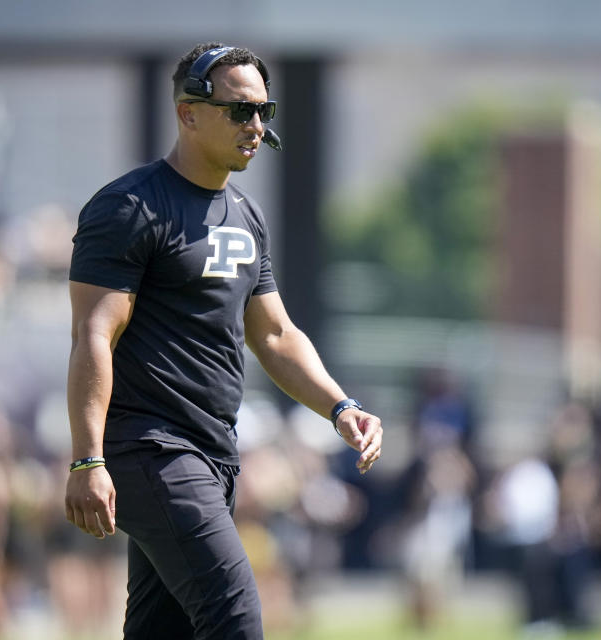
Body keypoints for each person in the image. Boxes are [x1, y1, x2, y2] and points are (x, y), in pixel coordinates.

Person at [63, 42, 383, 640]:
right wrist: (87, 457)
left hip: (214, 455)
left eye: (265, 111)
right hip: (150, 449)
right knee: (234, 615)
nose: (256, 126)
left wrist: (342, 407)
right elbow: (94, 334)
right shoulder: (129, 207)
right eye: (240, 111)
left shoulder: (245, 214)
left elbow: (277, 334)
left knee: (166, 631)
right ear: (188, 113)